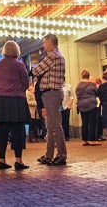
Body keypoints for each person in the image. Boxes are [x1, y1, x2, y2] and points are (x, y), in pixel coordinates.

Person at [0, 40, 30, 170]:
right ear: (16, 51)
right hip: (16, 100)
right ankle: (18, 160)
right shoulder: (19, 65)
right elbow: (25, 82)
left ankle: (2, 159)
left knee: (2, 131)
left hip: (0, 100)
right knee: (18, 130)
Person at [31, 33, 67, 166]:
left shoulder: (52, 56)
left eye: (44, 42)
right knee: (51, 125)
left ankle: (61, 154)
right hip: (51, 93)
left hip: (51, 93)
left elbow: (36, 71)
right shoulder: (56, 55)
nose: (43, 45)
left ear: (50, 43)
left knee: (55, 125)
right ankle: (49, 154)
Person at [76, 69, 101, 146]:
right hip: (91, 104)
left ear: (81, 76)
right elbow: (97, 93)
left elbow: (77, 94)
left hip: (81, 105)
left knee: (84, 122)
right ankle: (91, 140)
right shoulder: (91, 84)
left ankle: (84, 140)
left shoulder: (78, 85)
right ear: (88, 76)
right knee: (92, 122)